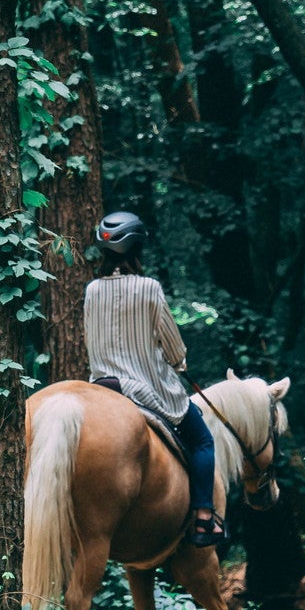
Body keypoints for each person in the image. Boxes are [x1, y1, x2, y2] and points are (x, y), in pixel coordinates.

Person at [84, 210, 224, 547]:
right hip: (145, 390)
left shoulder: (92, 290)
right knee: (203, 441)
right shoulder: (149, 288)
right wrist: (179, 363)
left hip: (101, 388)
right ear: (137, 247)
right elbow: (174, 348)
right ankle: (204, 517)